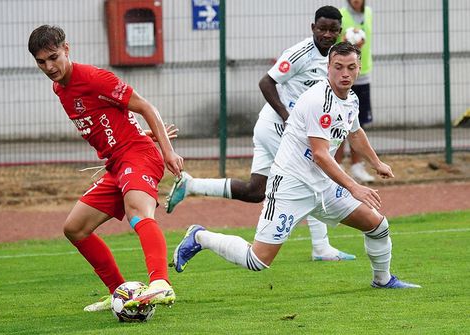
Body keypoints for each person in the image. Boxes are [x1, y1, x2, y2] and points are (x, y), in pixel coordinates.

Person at [172, 42, 421, 290]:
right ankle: (200, 236)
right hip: (291, 185)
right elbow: (321, 155)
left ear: (358, 69)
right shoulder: (318, 101)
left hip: (322, 185)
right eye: (338, 67)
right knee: (257, 260)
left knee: (377, 225)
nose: (345, 73)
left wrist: (377, 163)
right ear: (328, 67)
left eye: (351, 68)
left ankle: (383, 280)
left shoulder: (350, 98)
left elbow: (355, 133)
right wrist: (354, 187)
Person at [166, 6, 356, 261]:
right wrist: (287, 117)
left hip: (279, 129)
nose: (327, 34)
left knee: (256, 190)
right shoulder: (300, 53)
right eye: (322, 28)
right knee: (311, 173)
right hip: (277, 127)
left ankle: (191, 184)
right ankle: (320, 247)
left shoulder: (335, 57)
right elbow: (266, 82)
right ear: (313, 28)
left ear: (339, 31)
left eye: (333, 30)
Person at [28, 25, 184, 312]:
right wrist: (139, 135)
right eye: (41, 62)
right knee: (75, 229)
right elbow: (110, 119)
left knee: (137, 211)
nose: (49, 67)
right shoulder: (59, 87)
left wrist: (167, 151)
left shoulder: (95, 78)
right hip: (118, 162)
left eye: (53, 57)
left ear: (67, 49)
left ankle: (161, 283)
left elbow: (146, 107)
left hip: (138, 156)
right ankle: (119, 293)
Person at [335, 0, 375, 182]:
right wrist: (345, 43)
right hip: (343, 74)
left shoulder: (369, 13)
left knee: (358, 123)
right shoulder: (340, 14)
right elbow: (333, 42)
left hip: (363, 72)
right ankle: (337, 165)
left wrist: (361, 42)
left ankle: (357, 166)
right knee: (339, 121)